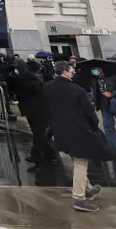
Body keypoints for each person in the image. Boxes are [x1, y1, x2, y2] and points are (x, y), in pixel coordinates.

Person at [42, 61, 106, 213]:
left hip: (59, 130)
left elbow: (47, 109)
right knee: (80, 162)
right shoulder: (76, 90)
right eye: (71, 70)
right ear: (65, 71)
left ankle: (88, 188)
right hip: (78, 130)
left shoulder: (47, 88)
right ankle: (79, 198)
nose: (72, 72)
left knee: (74, 160)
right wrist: (94, 125)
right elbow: (89, 113)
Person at [6, 60, 59, 167]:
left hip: (38, 108)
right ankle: (50, 153)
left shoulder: (28, 77)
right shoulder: (16, 79)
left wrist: (20, 81)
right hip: (28, 109)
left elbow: (36, 88)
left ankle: (36, 154)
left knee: (38, 133)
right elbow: (13, 90)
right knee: (37, 132)